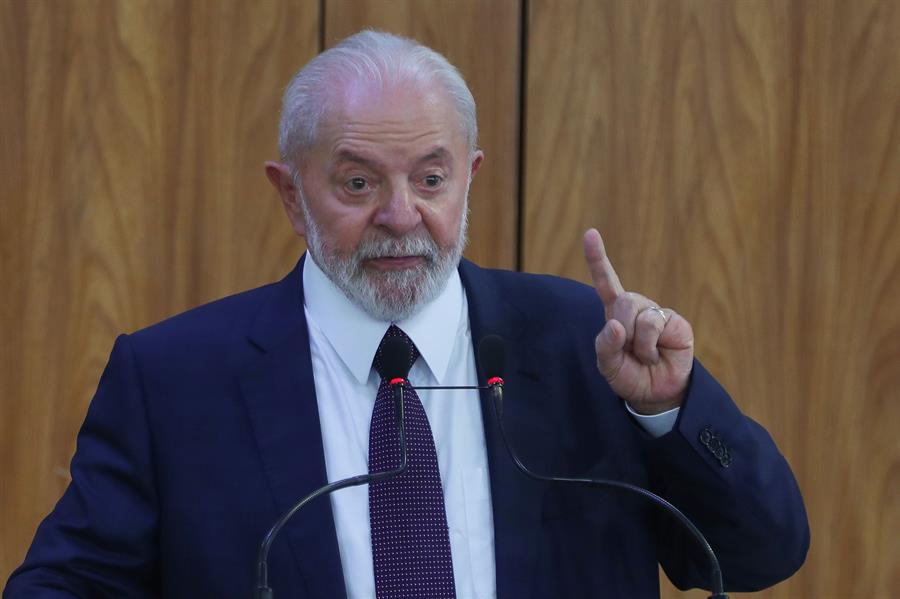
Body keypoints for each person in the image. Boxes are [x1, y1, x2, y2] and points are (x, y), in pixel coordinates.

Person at [5, 30, 808, 599]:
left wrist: (668, 410)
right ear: (291, 194)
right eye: (358, 183)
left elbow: (763, 552)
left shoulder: (582, 346)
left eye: (430, 179)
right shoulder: (176, 381)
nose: (399, 216)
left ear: (470, 177)